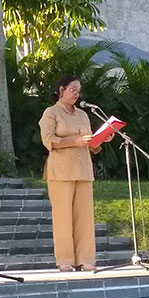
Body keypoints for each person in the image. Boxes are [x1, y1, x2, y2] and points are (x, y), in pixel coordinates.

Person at [38, 75, 112, 273]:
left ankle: (86, 260)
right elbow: (49, 140)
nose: (77, 94)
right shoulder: (50, 113)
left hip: (83, 170)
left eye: (78, 90)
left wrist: (102, 138)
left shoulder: (82, 115)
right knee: (63, 217)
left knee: (85, 218)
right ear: (61, 90)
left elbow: (91, 144)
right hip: (60, 171)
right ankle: (65, 261)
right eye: (73, 89)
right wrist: (75, 141)